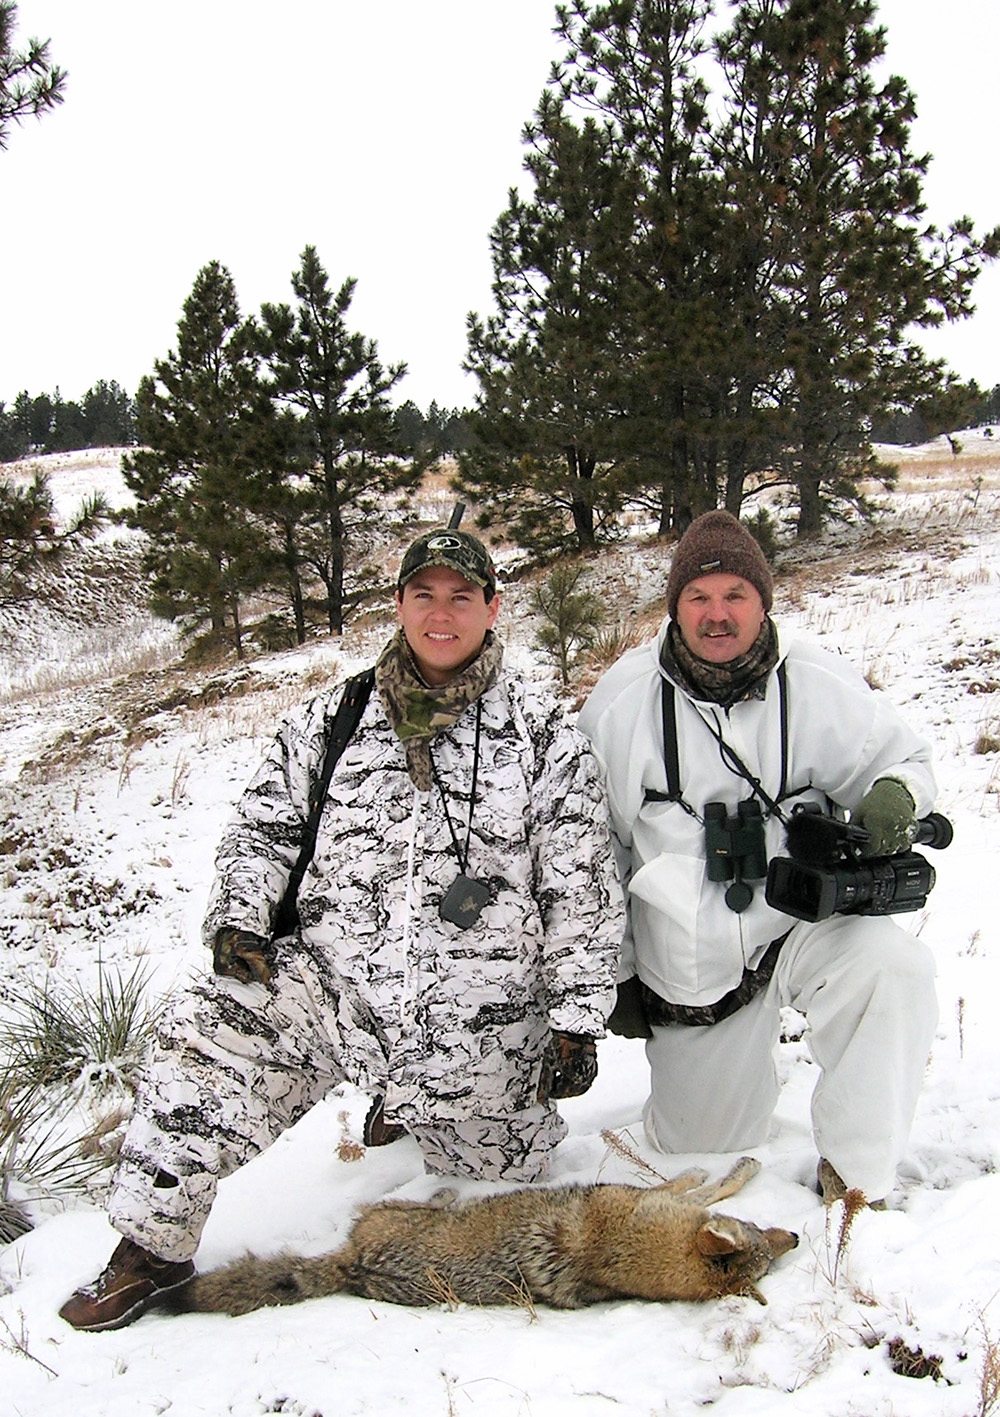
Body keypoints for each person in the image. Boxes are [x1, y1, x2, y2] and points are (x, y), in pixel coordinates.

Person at [60, 527, 624, 1331]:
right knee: (207, 1028)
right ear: (398, 605)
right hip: (331, 994)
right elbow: (262, 825)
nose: (441, 612)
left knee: (503, 1190)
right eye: (423, 594)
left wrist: (575, 1019)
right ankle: (149, 1247)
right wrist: (240, 918)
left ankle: (418, 1106)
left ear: (492, 608)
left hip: (481, 1028)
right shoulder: (334, 717)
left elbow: (583, 882)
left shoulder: (542, 733)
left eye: (461, 595)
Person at [578, 509, 938, 1208]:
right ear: (675, 607)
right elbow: (595, 856)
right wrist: (615, 970)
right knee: (701, 1148)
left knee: (893, 968)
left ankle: (856, 1177)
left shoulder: (817, 680)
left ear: (762, 601)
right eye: (699, 597)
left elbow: (903, 759)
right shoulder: (621, 704)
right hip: (692, 965)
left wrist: (896, 795)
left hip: (801, 926)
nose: (718, 614)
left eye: (735, 595)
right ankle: (728, 1083)